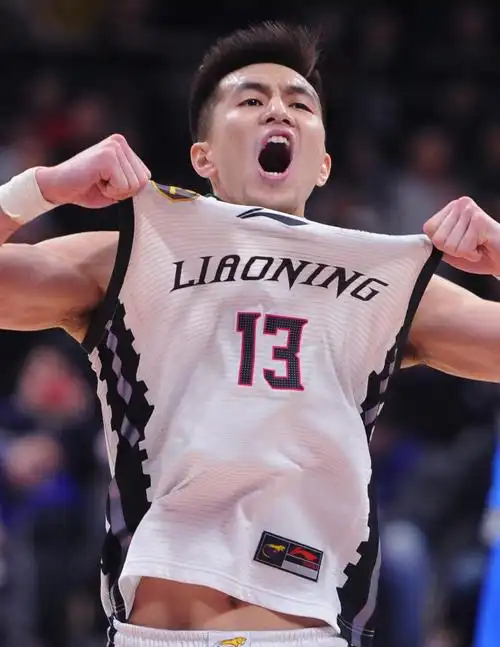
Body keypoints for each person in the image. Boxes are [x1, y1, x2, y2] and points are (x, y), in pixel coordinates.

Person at [0, 21, 500, 647]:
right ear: (202, 156)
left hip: (303, 630)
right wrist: (42, 187)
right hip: (158, 631)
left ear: (323, 164)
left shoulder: (387, 284)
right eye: (251, 99)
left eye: (300, 104)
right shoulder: (131, 256)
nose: (278, 111)